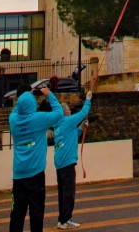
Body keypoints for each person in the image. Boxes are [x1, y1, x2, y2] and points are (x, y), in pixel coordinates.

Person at [8, 80, 56, 232]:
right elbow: (59, 113)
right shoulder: (38, 119)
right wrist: (49, 95)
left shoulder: (13, 120)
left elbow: (17, 109)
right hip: (36, 174)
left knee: (17, 212)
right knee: (36, 212)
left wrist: (23, 96)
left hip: (19, 175)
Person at [53, 87, 92, 229]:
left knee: (63, 193)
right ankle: (66, 219)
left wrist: (81, 127)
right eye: (68, 109)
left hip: (59, 163)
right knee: (69, 193)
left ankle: (61, 219)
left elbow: (72, 135)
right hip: (67, 163)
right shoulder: (67, 121)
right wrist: (88, 100)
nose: (70, 111)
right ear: (64, 112)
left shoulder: (59, 126)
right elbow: (83, 113)